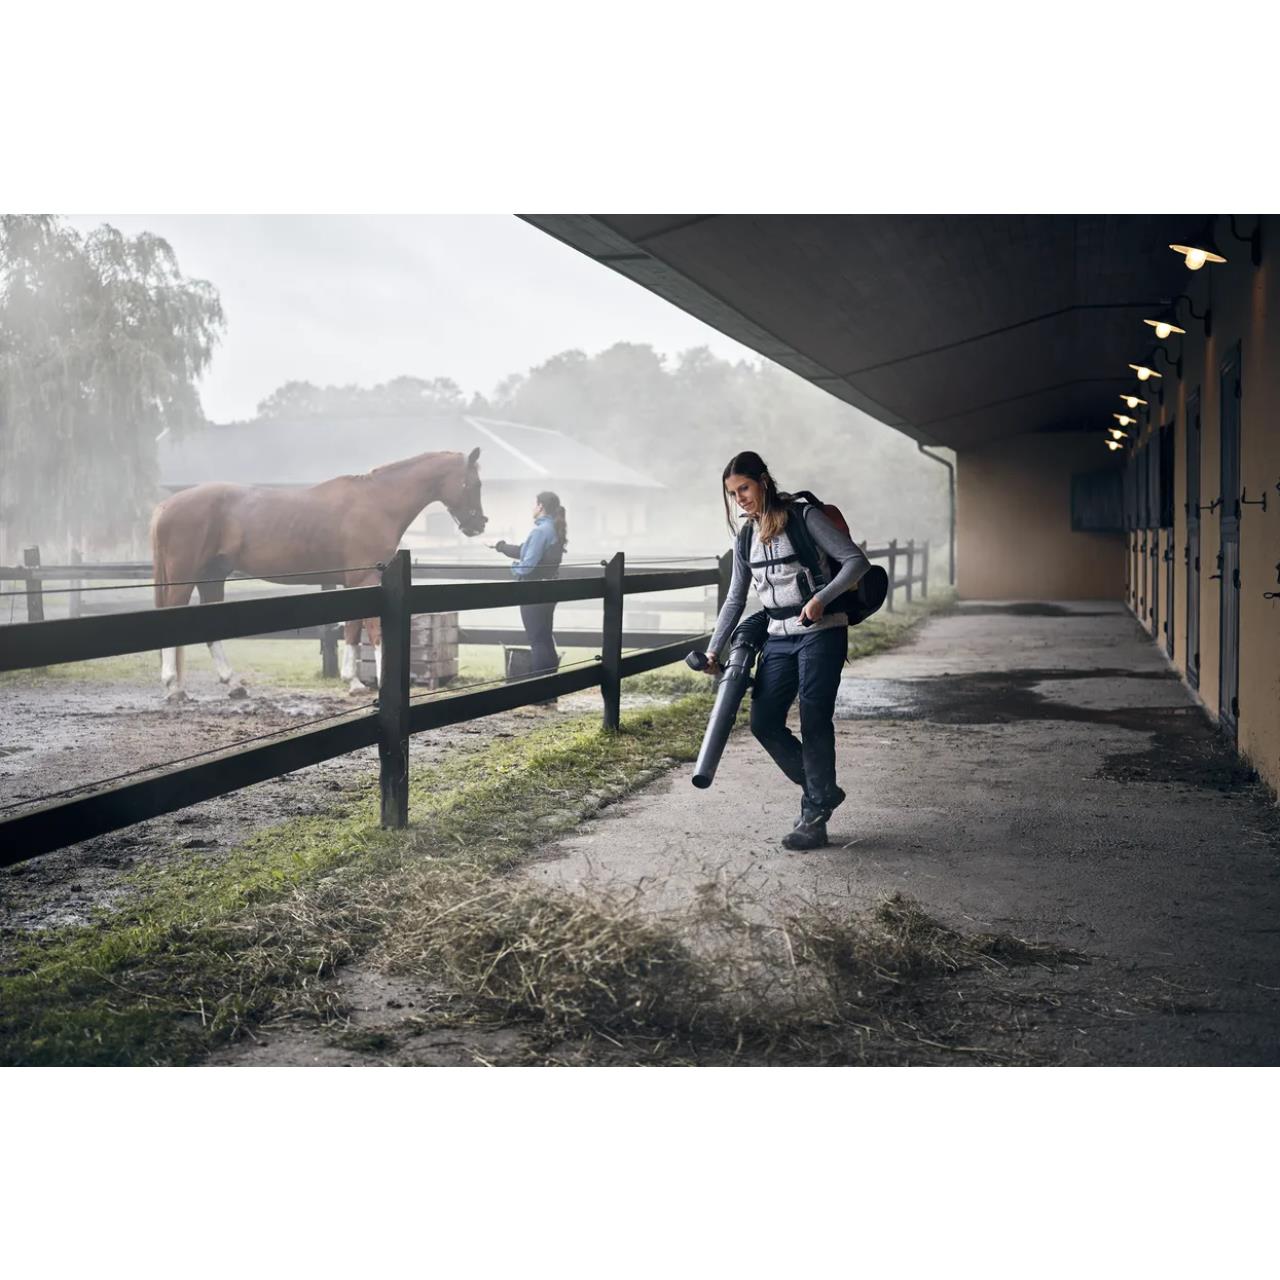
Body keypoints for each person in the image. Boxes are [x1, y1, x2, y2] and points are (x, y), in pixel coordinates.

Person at [704, 451, 871, 851]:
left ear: (762, 480)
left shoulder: (803, 518)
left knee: (814, 719)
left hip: (821, 630)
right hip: (778, 635)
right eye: (732, 493)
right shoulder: (744, 536)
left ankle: (813, 817)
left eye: (743, 488)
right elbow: (735, 599)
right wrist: (713, 650)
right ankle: (823, 791)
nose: (739, 498)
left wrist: (821, 599)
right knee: (763, 721)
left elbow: (855, 562)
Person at [492, 490, 567, 685]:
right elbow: (523, 550)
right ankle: (549, 689)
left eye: (534, 504)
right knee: (545, 639)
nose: (533, 508)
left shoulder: (540, 531)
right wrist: (499, 546)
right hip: (548, 590)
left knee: (537, 640)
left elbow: (527, 565)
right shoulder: (551, 529)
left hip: (534, 591)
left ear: (540, 506)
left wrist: (514, 568)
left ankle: (539, 690)